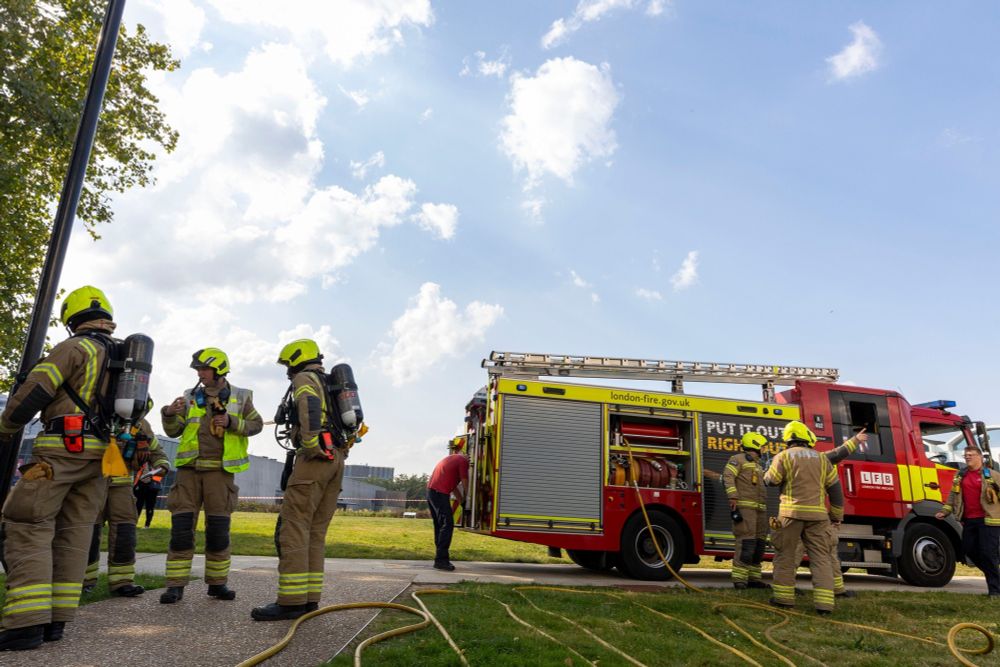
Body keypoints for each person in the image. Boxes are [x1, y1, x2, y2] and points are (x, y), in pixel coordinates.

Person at [0, 286, 120, 650]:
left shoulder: (74, 347)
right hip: (99, 456)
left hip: (61, 451)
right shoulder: (122, 356)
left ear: (72, 316)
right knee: (75, 532)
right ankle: (56, 621)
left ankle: (24, 624)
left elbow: (36, 390)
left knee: (27, 523)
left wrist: (6, 427)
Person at [252, 339, 358, 621]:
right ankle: (310, 599)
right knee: (314, 532)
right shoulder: (329, 383)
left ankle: (290, 602)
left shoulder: (304, 378)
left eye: (287, 365)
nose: (287, 372)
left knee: (294, 528)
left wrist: (310, 444)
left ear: (297, 359)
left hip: (315, 460)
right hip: (336, 458)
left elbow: (309, 406)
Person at [158, 347, 262, 604]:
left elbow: (256, 425)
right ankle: (175, 587)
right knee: (181, 530)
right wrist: (169, 414)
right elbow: (174, 432)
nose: (200, 373)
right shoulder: (189, 396)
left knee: (218, 532)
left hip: (219, 473)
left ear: (219, 369)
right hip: (189, 473)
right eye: (198, 370)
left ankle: (217, 585)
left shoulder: (241, 396)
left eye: (203, 369)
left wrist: (232, 423)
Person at [82, 401, 170, 596]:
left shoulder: (141, 425)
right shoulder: (99, 417)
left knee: (125, 532)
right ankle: (83, 580)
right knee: (87, 533)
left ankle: (122, 582)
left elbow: (157, 451)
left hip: (121, 486)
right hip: (93, 483)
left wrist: (162, 465)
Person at [764, 420, 844, 615]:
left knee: (785, 554)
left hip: (790, 515)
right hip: (818, 516)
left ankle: (783, 599)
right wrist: (835, 516)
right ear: (807, 438)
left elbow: (771, 480)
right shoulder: (823, 459)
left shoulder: (783, 456)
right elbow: (835, 491)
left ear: (789, 439)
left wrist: (767, 469)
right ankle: (825, 605)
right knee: (821, 558)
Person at [936, 446, 1000, 597]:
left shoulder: (991, 475)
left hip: (989, 521)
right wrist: (945, 511)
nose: (967, 457)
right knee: (969, 550)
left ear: (980, 457)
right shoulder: (961, 475)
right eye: (966, 455)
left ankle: (995, 591)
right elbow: (953, 494)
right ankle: (995, 576)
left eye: (971, 455)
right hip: (969, 520)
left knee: (987, 554)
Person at [723, 432, 770, 590]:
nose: (764, 450)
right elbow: (728, 476)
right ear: (755, 445)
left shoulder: (758, 464)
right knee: (746, 543)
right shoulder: (737, 459)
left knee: (759, 545)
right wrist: (733, 496)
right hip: (746, 509)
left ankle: (754, 579)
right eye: (762, 447)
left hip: (759, 510)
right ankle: (740, 580)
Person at [427, 438, 469, 571]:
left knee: (440, 525)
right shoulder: (463, 461)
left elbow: (454, 487)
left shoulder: (453, 459)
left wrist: (462, 501)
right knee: (447, 524)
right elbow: (464, 481)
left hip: (431, 492)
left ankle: (439, 557)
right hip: (439, 493)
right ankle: (441, 560)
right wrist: (469, 498)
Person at [134, 445, 165, 529]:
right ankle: (134, 523)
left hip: (152, 486)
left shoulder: (159, 463)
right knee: (138, 505)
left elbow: (163, 471)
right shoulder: (143, 460)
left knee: (150, 506)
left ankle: (147, 525)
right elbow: (138, 470)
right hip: (141, 484)